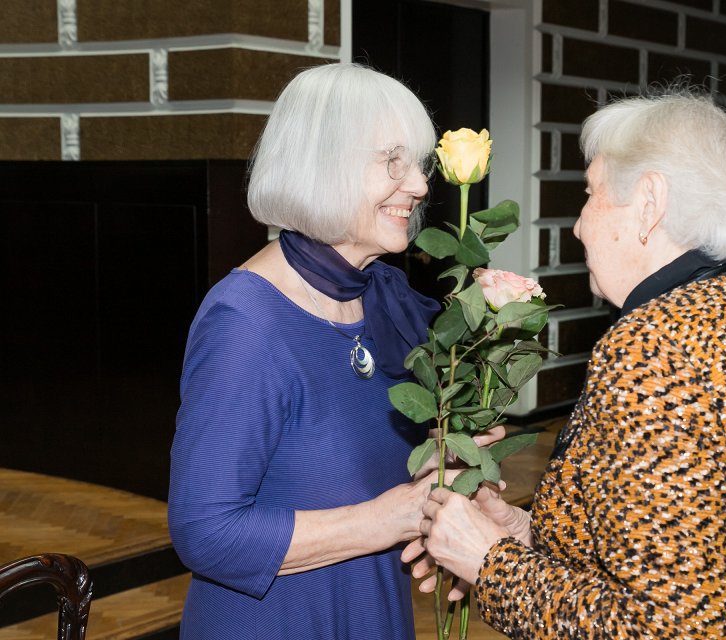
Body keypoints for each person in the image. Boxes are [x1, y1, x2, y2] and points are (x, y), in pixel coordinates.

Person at [409, 90, 726, 638]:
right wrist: (520, 534)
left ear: (649, 203)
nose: (577, 226)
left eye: (591, 194)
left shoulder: (652, 349)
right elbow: (696, 551)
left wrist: (489, 561)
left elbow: (656, 625)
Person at [168, 63, 491, 639]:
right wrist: (386, 518)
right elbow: (206, 533)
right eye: (393, 162)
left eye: (418, 164)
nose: (418, 185)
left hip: (372, 611)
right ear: (325, 167)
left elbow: (396, 455)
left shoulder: (388, 299)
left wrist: (453, 463)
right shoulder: (246, 320)